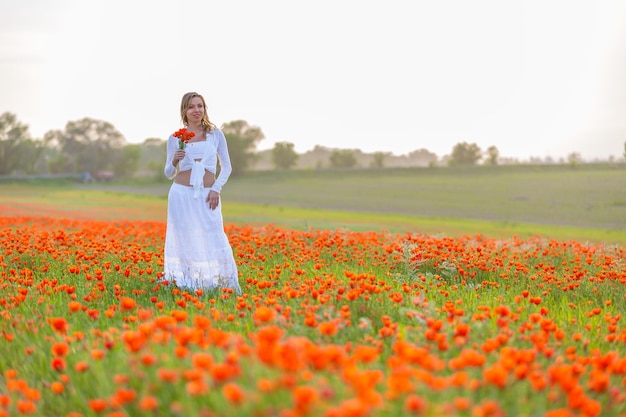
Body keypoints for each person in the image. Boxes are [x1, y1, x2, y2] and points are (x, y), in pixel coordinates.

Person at [162, 91, 241, 295]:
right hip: (181, 194)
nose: (196, 110)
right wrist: (174, 161)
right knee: (185, 236)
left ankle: (216, 281)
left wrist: (216, 189)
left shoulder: (215, 134)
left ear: (204, 109)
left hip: (207, 193)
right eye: (191, 107)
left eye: (200, 106)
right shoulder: (176, 138)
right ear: (184, 111)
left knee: (213, 233)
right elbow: (169, 173)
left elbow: (227, 167)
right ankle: (188, 281)